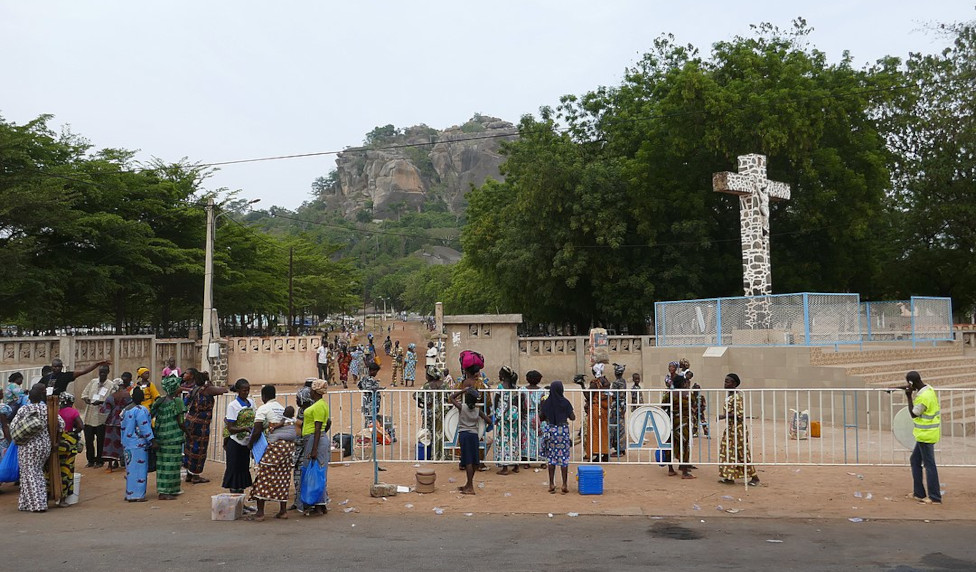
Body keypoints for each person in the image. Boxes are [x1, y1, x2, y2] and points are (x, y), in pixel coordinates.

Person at [14, 383, 63, 512]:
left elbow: (14, 426)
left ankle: (38, 504)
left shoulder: (24, 410)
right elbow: (61, 425)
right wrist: (56, 442)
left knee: (30, 473)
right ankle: (24, 503)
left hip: (28, 446)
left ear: (29, 397)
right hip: (44, 445)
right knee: (33, 472)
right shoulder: (48, 409)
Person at [248, 384, 294, 520]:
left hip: (274, 446)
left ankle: (260, 513)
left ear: (263, 396)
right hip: (288, 448)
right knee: (283, 476)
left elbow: (257, 430)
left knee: (263, 476)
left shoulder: (263, 409)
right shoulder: (281, 408)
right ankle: (283, 511)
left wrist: (250, 444)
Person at [183, 369, 227, 484]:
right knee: (199, 449)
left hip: (189, 422)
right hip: (201, 425)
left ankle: (189, 473)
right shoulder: (207, 390)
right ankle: (196, 476)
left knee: (190, 447)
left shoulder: (193, 390)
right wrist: (209, 382)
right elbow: (223, 390)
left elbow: (184, 403)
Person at [905, 370, 941, 504]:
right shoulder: (929, 390)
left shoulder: (923, 397)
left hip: (926, 435)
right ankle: (919, 493)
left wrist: (909, 397)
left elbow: (914, 414)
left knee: (929, 465)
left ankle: (934, 496)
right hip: (925, 434)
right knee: (915, 460)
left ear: (911, 383)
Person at [718, 373, 759, 486]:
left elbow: (739, 414)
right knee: (728, 452)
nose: (725, 383)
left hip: (738, 429)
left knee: (742, 453)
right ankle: (729, 476)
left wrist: (723, 416)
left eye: (728, 381)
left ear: (734, 384)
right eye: (725, 381)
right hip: (730, 428)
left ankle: (754, 477)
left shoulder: (737, 397)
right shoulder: (729, 396)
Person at [151, 375, 186, 500]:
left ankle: (164, 490)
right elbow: (181, 422)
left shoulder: (159, 401)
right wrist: (189, 433)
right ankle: (167, 492)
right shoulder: (177, 402)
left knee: (162, 465)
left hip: (160, 437)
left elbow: (150, 415)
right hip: (173, 438)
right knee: (172, 465)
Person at [450, 387, 490, 495]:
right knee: (473, 460)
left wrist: (463, 390)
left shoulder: (462, 408)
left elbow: (451, 397)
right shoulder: (478, 411)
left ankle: (470, 486)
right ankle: (468, 484)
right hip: (474, 435)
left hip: (464, 435)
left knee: (467, 461)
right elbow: (489, 421)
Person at [301, 379, 331, 515]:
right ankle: (321, 503)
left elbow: (318, 428)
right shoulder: (322, 404)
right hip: (315, 439)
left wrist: (314, 449)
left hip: (315, 439)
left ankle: (317, 504)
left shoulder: (318, 406)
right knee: (319, 471)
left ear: (315, 391)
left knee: (315, 473)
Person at [540, 380, 576, 494]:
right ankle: (564, 484)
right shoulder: (565, 402)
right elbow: (573, 417)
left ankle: (551, 483)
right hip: (562, 431)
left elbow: (541, 417)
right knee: (563, 459)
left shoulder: (547, 403)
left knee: (551, 459)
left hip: (551, 431)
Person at [222, 379, 255, 494]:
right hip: (235, 443)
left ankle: (241, 503)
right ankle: (235, 503)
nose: (246, 392)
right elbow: (230, 428)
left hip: (245, 444)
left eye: (248, 390)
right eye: (244, 390)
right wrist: (245, 428)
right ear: (238, 391)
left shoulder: (251, 403)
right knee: (234, 473)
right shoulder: (233, 406)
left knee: (242, 472)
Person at [121, 387, 154, 502]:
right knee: (140, 470)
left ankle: (130, 493)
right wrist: (152, 440)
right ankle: (138, 495)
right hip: (138, 445)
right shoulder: (141, 410)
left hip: (127, 444)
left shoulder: (125, 410)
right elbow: (144, 427)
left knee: (130, 470)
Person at [80, 364, 117, 468]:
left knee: (101, 440)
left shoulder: (111, 385)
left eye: (104, 372)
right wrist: (86, 399)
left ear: (108, 373)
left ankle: (100, 460)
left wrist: (101, 402)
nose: (102, 374)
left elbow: (112, 400)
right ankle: (90, 460)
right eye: (101, 372)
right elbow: (84, 394)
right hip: (90, 415)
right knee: (89, 439)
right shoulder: (93, 382)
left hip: (102, 417)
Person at [55, 392, 84, 507]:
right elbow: (81, 426)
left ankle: (51, 495)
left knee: (53, 468)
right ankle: (62, 498)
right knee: (66, 470)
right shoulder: (73, 412)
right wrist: (73, 433)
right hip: (68, 444)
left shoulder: (54, 412)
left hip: (55, 443)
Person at [493, 366, 522, 475]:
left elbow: (496, 400)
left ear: (503, 376)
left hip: (503, 414)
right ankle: (516, 465)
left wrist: (495, 415)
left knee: (503, 440)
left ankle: (505, 467)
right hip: (513, 415)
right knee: (514, 439)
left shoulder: (500, 387)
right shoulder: (515, 387)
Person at [101, 373, 133, 472]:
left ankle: (110, 466)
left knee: (110, 444)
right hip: (124, 421)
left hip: (111, 422)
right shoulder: (128, 396)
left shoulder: (112, 396)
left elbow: (104, 410)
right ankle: (123, 463)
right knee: (123, 443)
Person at [416, 366, 447, 460]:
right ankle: (441, 455)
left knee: (428, 433)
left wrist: (422, 404)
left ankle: (429, 455)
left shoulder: (427, 386)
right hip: (442, 412)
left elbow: (417, 396)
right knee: (441, 433)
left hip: (429, 412)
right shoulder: (444, 385)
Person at [667, 374, 695, 479]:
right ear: (683, 384)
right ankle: (684, 472)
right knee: (684, 445)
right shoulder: (687, 395)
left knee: (671, 444)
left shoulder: (669, 394)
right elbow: (694, 403)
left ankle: (670, 469)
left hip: (671, 422)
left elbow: (663, 405)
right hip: (684, 423)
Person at [291, 386, 314, 512]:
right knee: (298, 475)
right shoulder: (301, 410)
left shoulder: (310, 410)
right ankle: (298, 500)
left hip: (307, 446)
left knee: (305, 475)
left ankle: (306, 502)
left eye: (297, 398)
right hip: (299, 446)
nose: (296, 400)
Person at [40, 358, 111, 396]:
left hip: (60, 403)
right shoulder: (46, 377)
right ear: (52, 367)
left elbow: (83, 371)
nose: (57, 368)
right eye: (55, 366)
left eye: (59, 366)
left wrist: (97, 364)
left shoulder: (65, 376)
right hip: (47, 402)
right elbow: (38, 387)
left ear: (61, 367)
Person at [584, 364, 610, 462]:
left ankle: (597, 453)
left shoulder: (595, 383)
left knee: (595, 431)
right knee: (604, 430)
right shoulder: (606, 382)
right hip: (604, 409)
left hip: (596, 409)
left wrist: (582, 385)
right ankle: (605, 453)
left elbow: (588, 396)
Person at [520, 370, 546, 467]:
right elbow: (543, 404)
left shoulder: (522, 390)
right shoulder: (542, 391)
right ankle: (542, 460)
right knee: (540, 437)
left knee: (527, 437)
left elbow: (520, 403)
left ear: (527, 379)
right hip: (539, 416)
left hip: (526, 416)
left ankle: (527, 460)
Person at [608, 363, 627, 457]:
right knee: (621, 427)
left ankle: (619, 450)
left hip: (616, 407)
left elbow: (615, 395)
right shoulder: (624, 381)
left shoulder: (616, 383)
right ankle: (621, 449)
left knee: (615, 427)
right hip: (622, 407)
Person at [358, 362, 383, 428]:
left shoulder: (364, 379)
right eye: (376, 372)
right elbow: (368, 388)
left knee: (368, 419)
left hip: (367, 402)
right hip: (371, 403)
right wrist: (377, 387)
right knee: (371, 420)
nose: (376, 373)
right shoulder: (369, 380)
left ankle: (368, 434)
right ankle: (370, 435)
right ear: (372, 371)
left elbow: (359, 385)